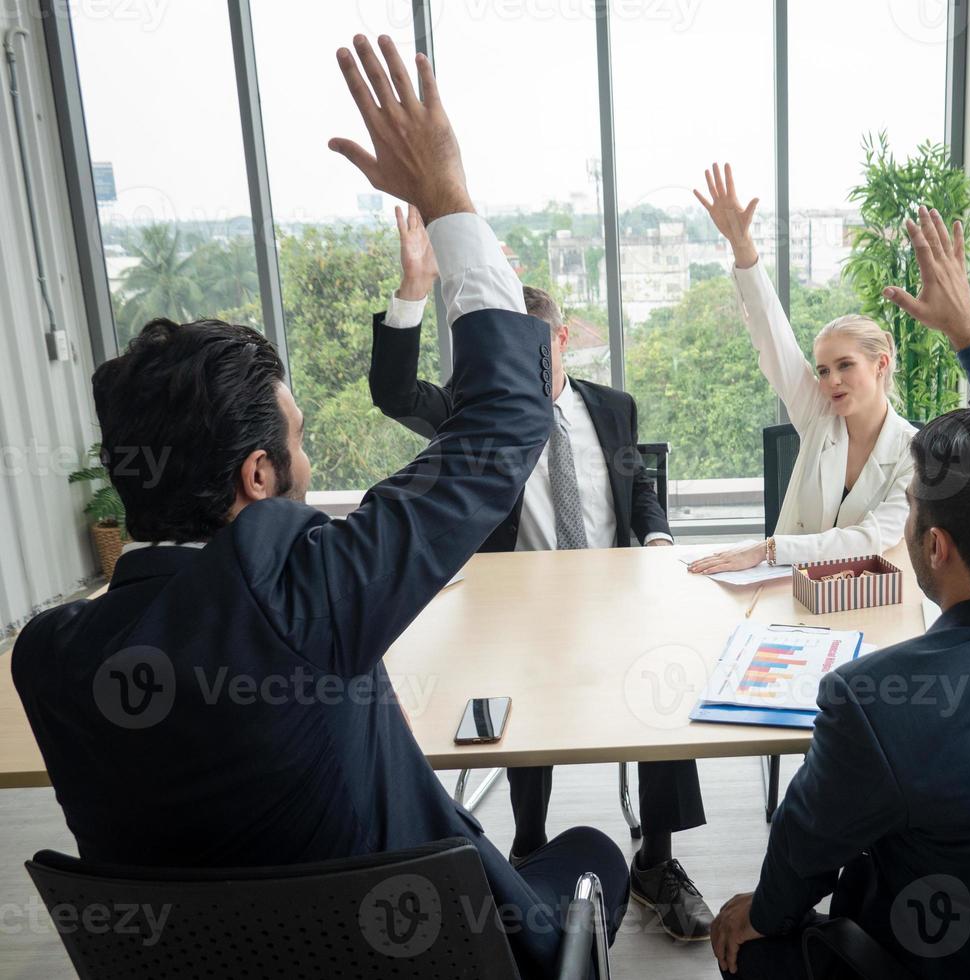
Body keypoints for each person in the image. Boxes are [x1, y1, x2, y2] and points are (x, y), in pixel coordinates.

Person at [12, 36, 626, 979]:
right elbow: (504, 422)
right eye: (298, 440)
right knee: (591, 857)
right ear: (258, 478)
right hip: (428, 954)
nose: (310, 456)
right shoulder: (300, 595)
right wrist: (449, 197)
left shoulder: (47, 658)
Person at [708, 209, 970, 979]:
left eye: (909, 506)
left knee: (751, 945)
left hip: (927, 960)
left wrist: (757, 916)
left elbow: (801, 859)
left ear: (931, 545)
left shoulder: (875, 704)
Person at [368, 210, 713, 942]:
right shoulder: (476, 419)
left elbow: (635, 488)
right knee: (516, 688)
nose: (507, 376)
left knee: (669, 688)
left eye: (523, 356)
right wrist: (412, 291)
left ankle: (657, 860)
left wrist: (655, 533)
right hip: (517, 615)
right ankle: (529, 847)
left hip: (620, 606)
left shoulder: (612, 408)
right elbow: (395, 393)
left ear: (556, 339)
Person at [687, 163, 917, 576]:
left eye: (845, 365)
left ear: (880, 363)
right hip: (784, 588)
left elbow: (874, 537)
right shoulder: (819, 414)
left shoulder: (916, 451)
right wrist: (743, 247)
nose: (831, 381)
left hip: (859, 599)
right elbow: (771, 336)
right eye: (823, 370)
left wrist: (767, 549)